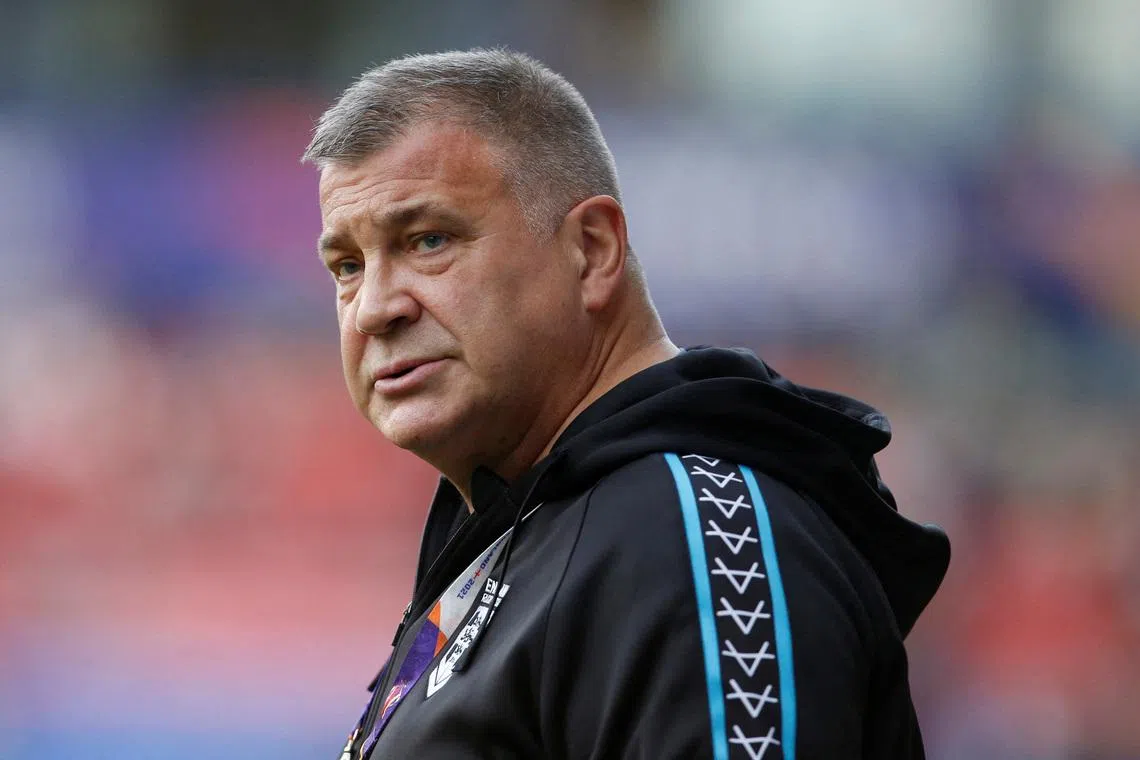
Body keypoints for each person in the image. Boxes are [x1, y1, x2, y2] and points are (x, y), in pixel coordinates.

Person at [303, 48, 950, 760]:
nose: (372, 309)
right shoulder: (532, 532)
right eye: (348, 266)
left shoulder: (680, 539)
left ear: (593, 247)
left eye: (428, 240)